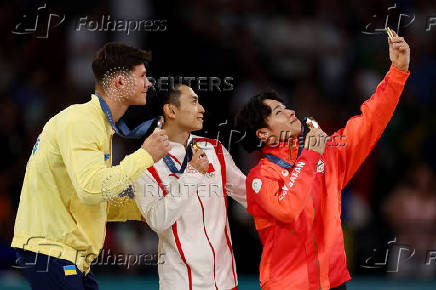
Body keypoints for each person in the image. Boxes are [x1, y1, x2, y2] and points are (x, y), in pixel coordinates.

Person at [235, 33, 410, 289]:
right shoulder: (260, 178)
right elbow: (287, 209)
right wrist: (310, 155)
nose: (291, 111)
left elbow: (369, 121)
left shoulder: (327, 152)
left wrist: (398, 72)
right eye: (279, 112)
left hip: (334, 283)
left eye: (286, 106)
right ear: (263, 133)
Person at [11, 42, 171, 290]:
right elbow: (92, 190)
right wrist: (145, 155)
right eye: (141, 76)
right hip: (51, 251)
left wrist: (142, 209)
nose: (148, 84)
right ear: (119, 83)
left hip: (67, 255)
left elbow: (91, 200)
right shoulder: (82, 121)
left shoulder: (96, 124)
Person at [134, 83, 246, 290]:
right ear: (171, 110)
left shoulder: (214, 149)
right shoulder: (145, 163)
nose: (202, 108)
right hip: (181, 284)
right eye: (194, 102)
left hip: (226, 282)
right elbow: (158, 220)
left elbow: (250, 195)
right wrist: (192, 174)